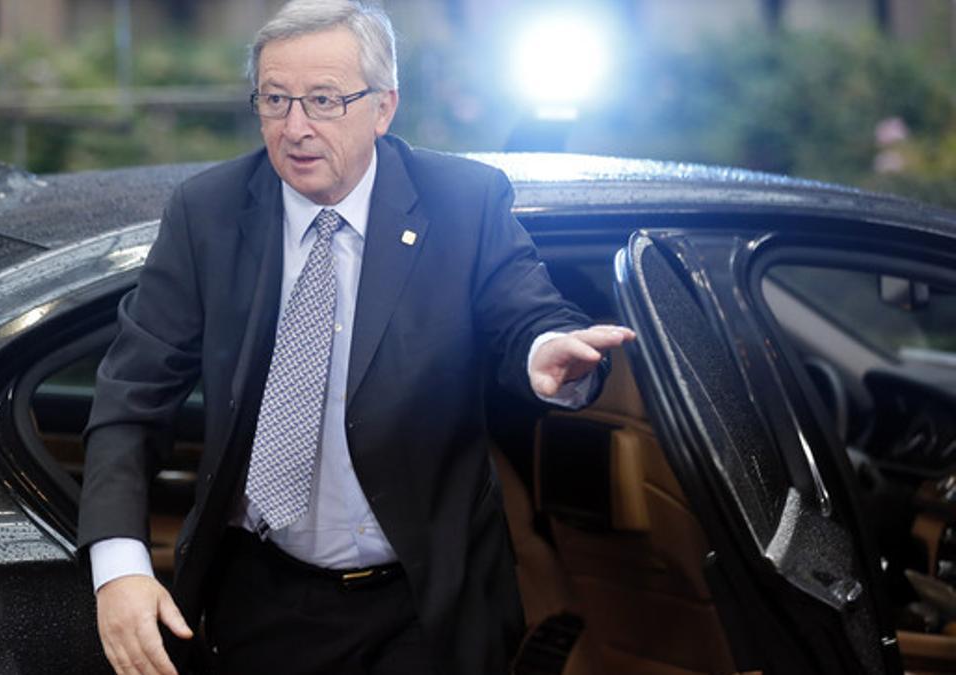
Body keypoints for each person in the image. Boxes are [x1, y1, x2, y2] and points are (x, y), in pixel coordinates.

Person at [77, 1, 636, 674]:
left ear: (383, 107)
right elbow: (130, 399)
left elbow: (524, 314)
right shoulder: (210, 213)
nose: (295, 128)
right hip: (263, 594)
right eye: (275, 99)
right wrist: (118, 566)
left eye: (323, 100)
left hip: (425, 601)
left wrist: (545, 354)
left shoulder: (463, 201)